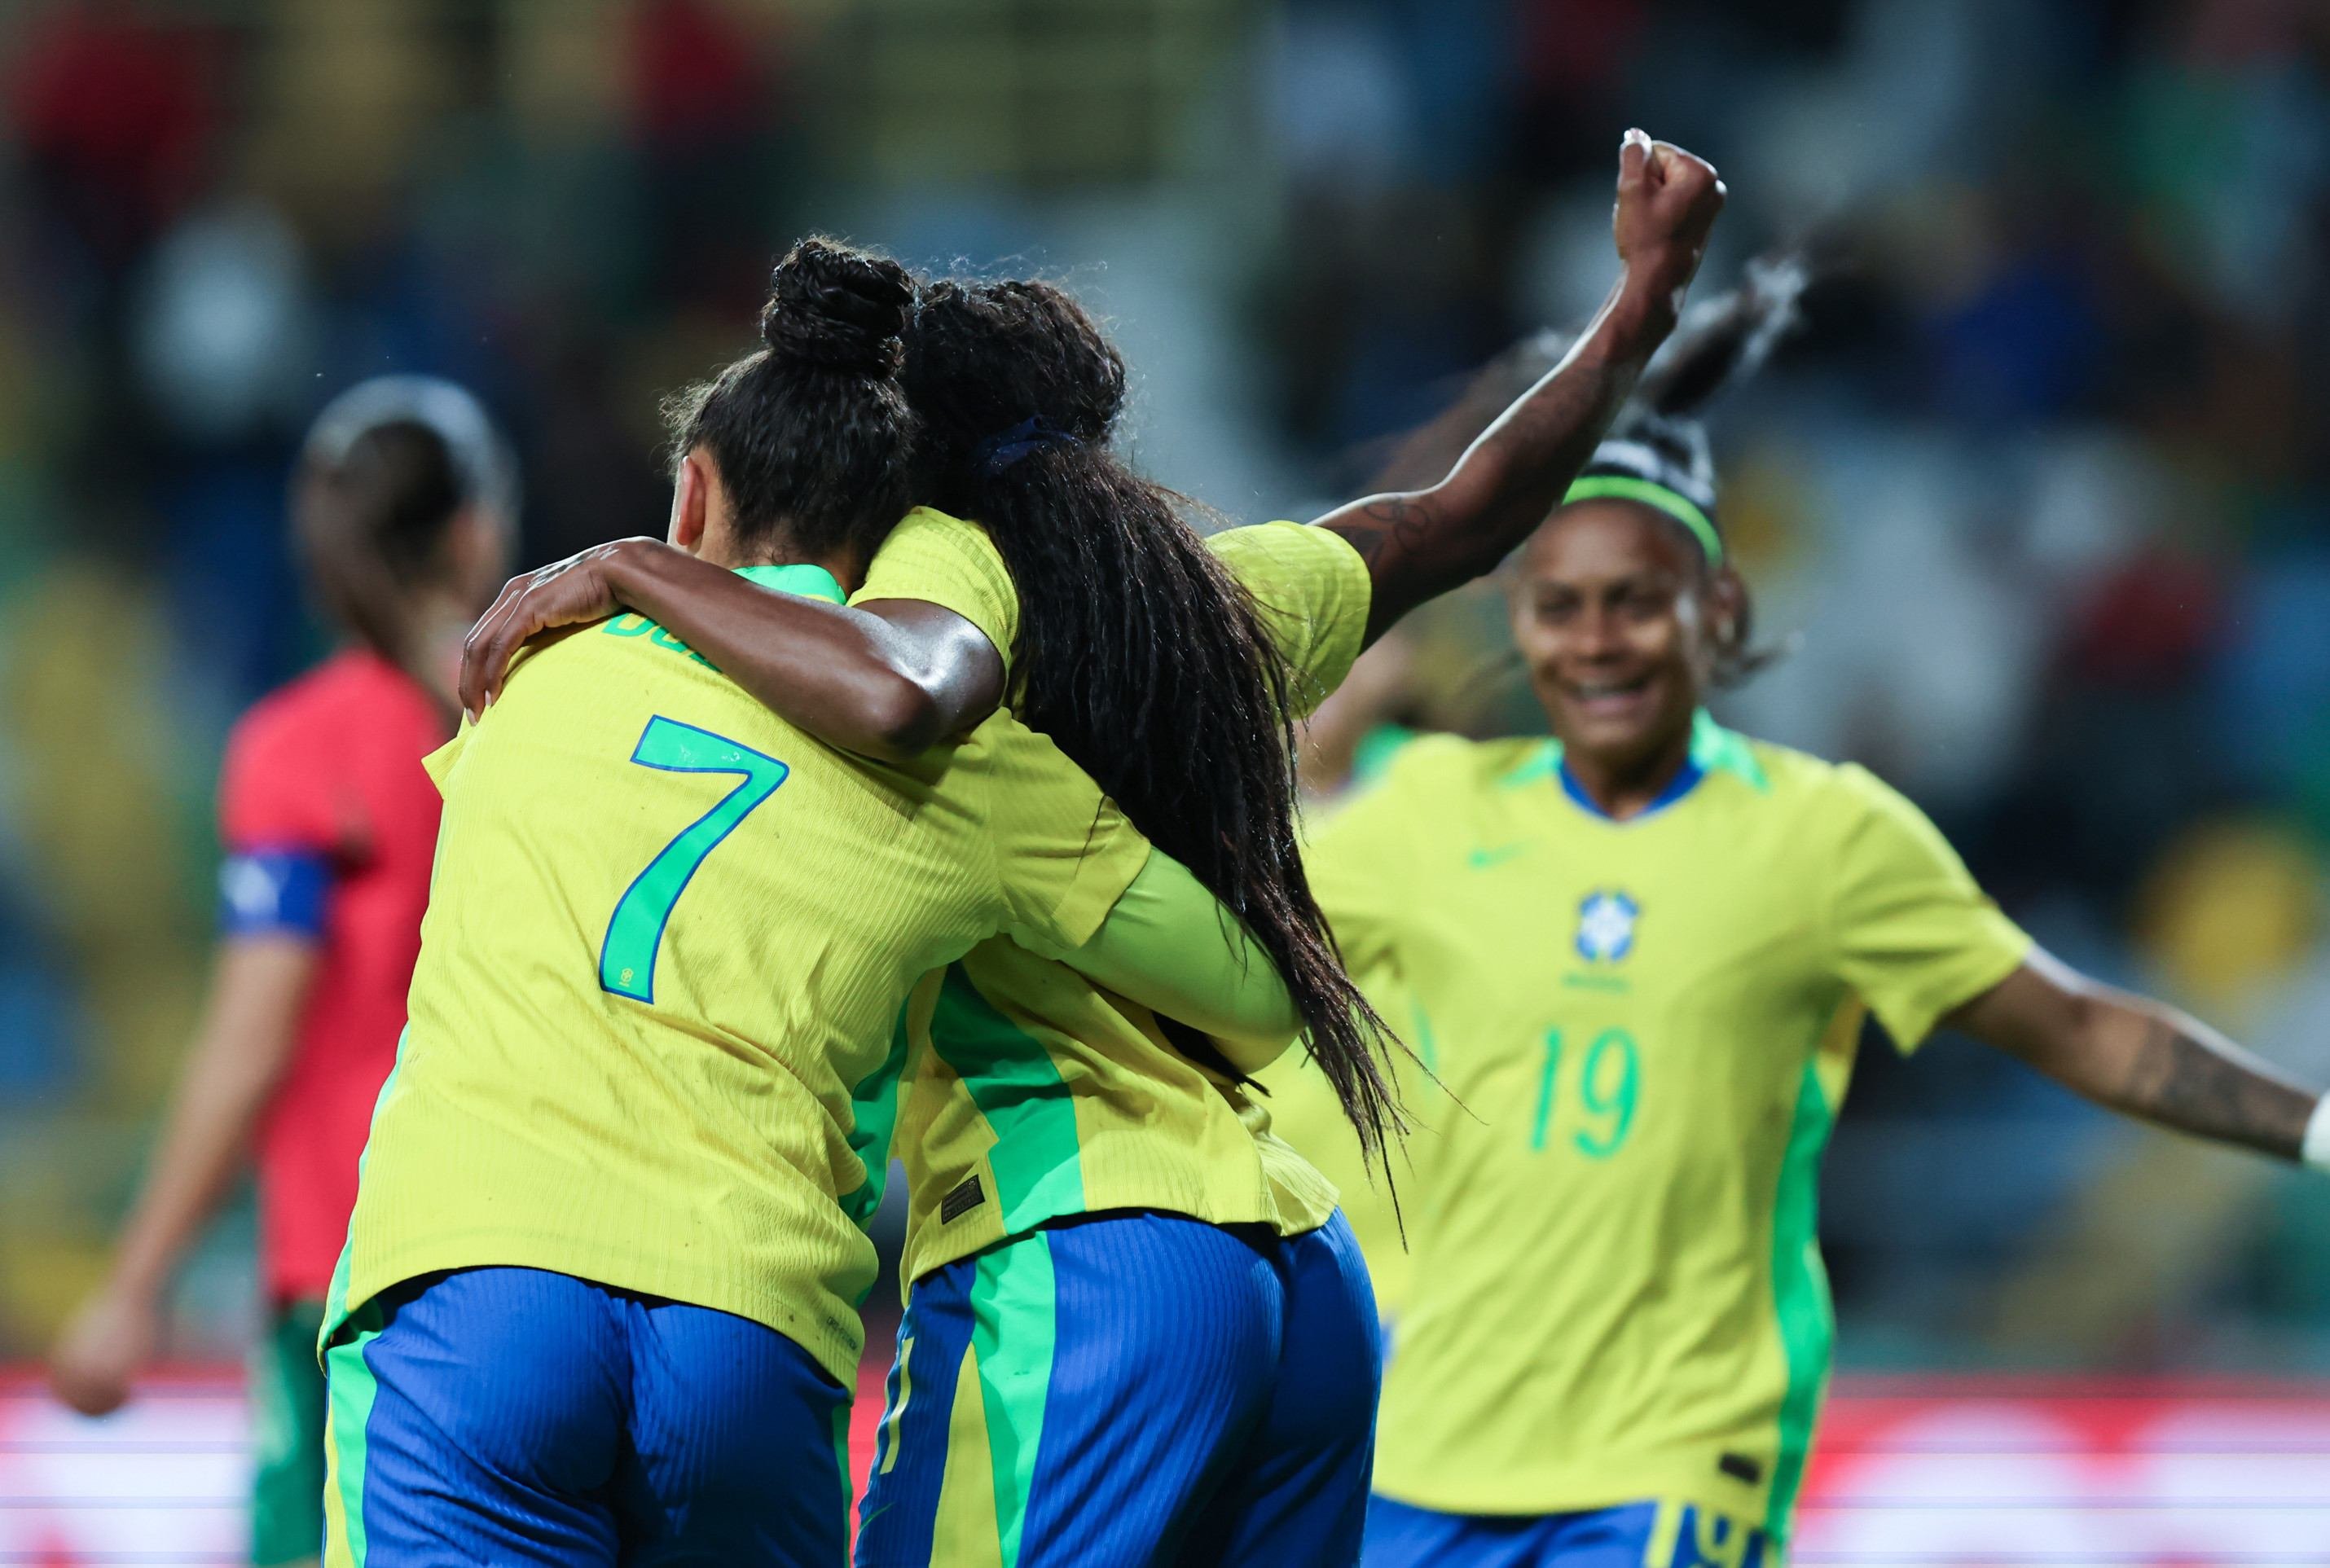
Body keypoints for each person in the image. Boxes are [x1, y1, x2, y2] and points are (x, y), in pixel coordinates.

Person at [459, 132, 1727, 1566]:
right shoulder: (1216, 600)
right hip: (1298, 1272)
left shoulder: (939, 618)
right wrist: (1638, 311)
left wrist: (643, 564)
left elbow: (902, 691)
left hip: (1078, 1253)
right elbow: (1465, 516)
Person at [1266, 263, 2330, 1567]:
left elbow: (2077, 1026)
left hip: (1667, 1459)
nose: (1597, 641)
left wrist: (2316, 1126)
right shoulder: (1426, 813)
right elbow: (1193, 900)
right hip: (1418, 1451)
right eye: (1561, 606)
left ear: (1719, 610)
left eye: (1636, 601)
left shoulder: (1825, 835)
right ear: (1521, 629)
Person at [316, 239, 1311, 1568]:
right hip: (748, 1320)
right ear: (899, 552)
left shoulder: (533, 667)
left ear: (692, 495)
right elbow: (1252, 994)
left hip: (474, 1280)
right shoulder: (963, 769)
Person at [46, 378, 516, 1568]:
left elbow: (254, 1034)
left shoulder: (299, 751)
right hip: (535, 1261)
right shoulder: (543, 722)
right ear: (473, 530)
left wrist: (134, 1281)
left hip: (349, 1276)